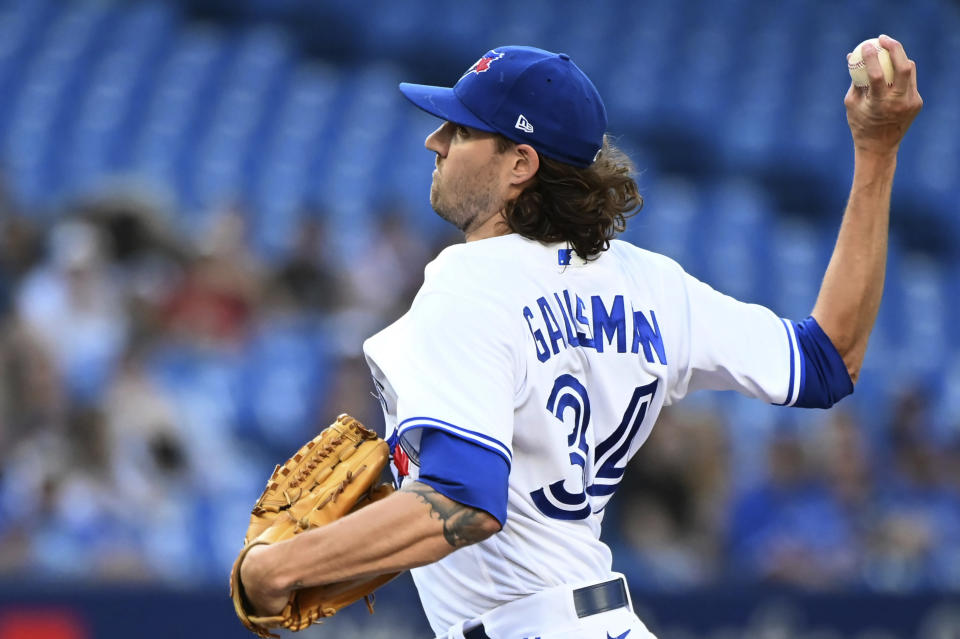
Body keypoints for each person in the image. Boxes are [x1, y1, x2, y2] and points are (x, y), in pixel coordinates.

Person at [238, 40, 922, 638]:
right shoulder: (652, 284)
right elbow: (828, 358)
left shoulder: (468, 283)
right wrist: (877, 151)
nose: (435, 141)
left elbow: (464, 500)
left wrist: (279, 567)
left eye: (462, 128)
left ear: (519, 163)